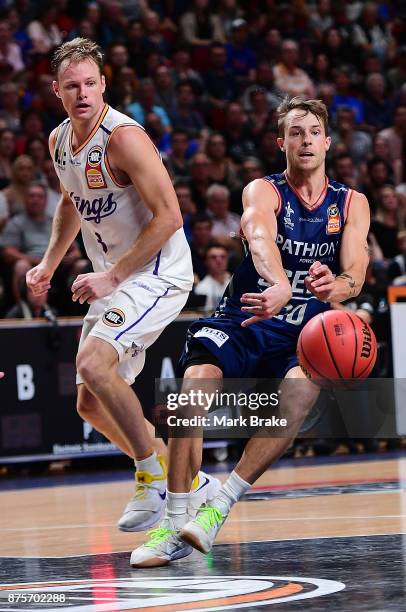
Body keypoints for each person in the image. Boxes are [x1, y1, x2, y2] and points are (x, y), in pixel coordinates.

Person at [131, 96, 370, 567]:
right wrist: (280, 281)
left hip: (297, 336)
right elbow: (258, 234)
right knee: (195, 385)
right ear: (281, 142)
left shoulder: (351, 203)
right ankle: (173, 520)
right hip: (245, 319)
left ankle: (218, 507)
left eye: (313, 131)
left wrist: (337, 285)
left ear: (328, 141)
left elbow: (357, 269)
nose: (305, 140)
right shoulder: (264, 190)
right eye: (295, 132)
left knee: (302, 388)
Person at [26, 38, 220, 534]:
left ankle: (152, 476)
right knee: (90, 399)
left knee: (93, 362)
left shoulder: (124, 138)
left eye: (91, 83)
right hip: (116, 276)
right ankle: (191, 485)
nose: (83, 93)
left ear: (104, 85)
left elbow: (171, 216)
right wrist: (49, 262)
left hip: (156, 271)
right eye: (72, 86)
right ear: (57, 91)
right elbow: (71, 202)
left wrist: (112, 275)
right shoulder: (58, 141)